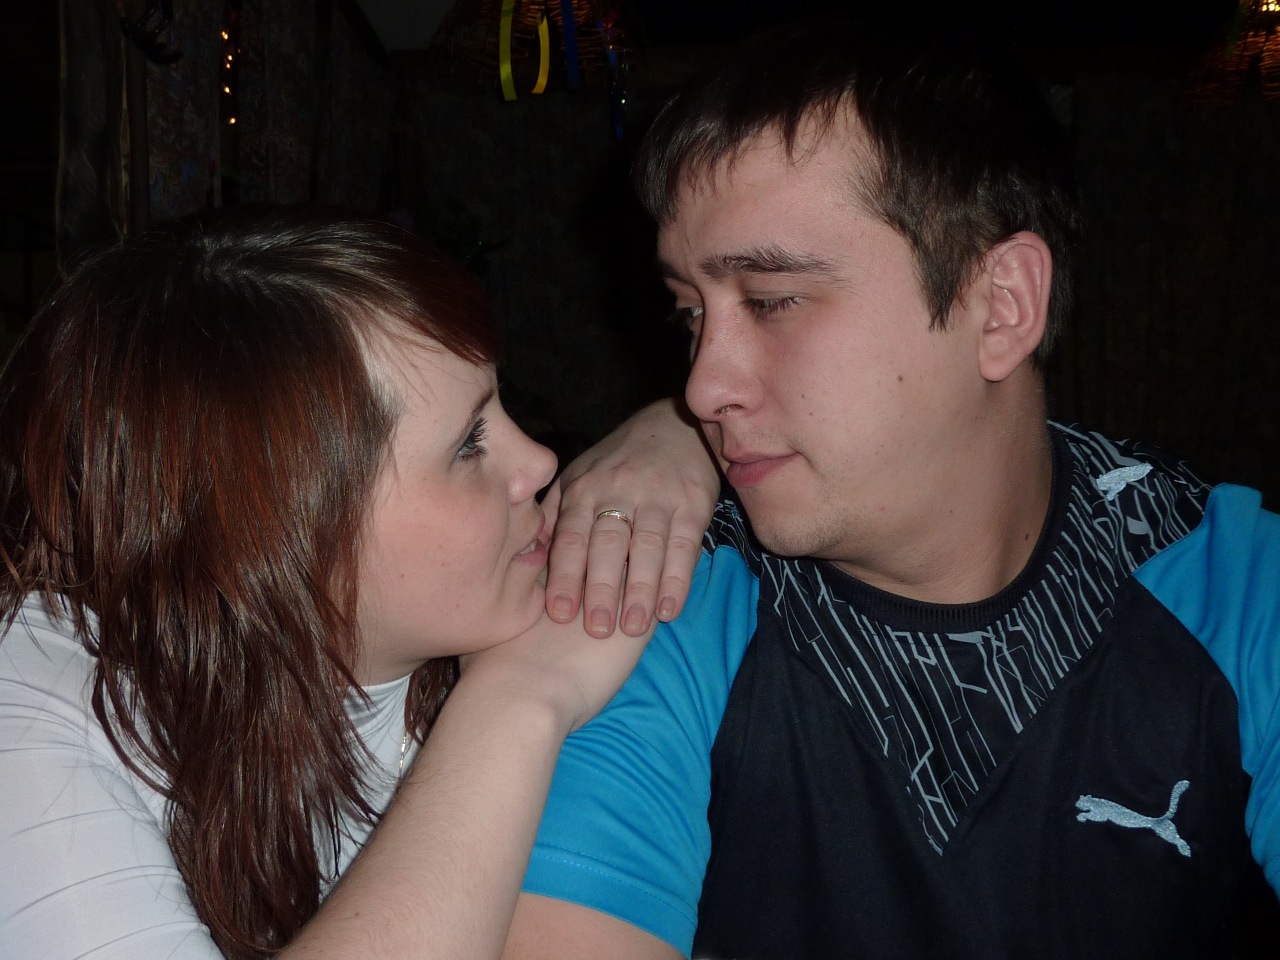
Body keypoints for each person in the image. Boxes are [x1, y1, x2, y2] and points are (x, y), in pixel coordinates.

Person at [503, 19, 1280, 960]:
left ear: (1001, 305)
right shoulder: (654, 593)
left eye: (773, 300)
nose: (701, 388)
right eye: (690, 314)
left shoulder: (1232, 587)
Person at [0, 207, 708, 960]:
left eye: (501, 406)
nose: (539, 461)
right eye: (469, 444)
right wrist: (516, 701)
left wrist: (679, 432)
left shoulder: (513, 592)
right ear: (281, 532)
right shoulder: (38, 709)